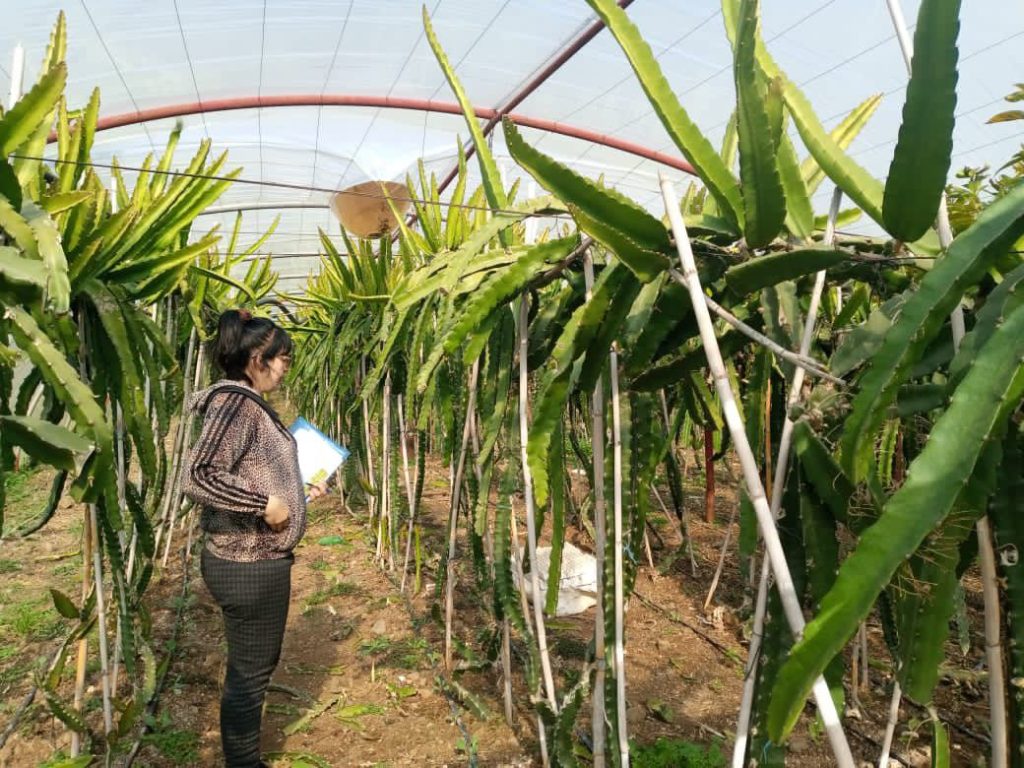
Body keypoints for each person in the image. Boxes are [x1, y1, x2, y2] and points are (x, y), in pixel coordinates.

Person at [183, 309, 326, 768]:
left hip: (250, 558)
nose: (285, 369)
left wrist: (297, 492)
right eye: (282, 359)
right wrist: (266, 504)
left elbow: (250, 468)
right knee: (250, 677)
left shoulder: (245, 404)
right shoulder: (236, 404)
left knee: (250, 671)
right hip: (249, 562)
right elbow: (199, 475)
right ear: (256, 359)